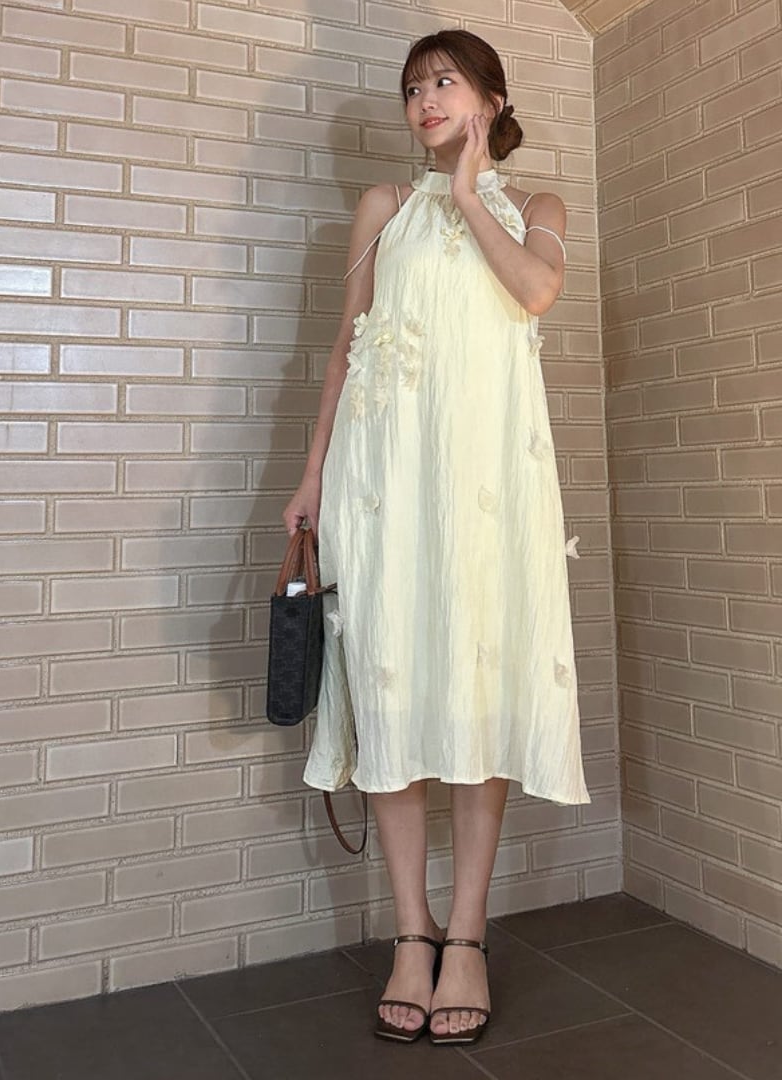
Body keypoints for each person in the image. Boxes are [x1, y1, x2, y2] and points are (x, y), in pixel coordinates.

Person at [282, 27, 590, 1047]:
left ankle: (467, 938)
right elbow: (347, 347)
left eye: (445, 83)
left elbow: (536, 291)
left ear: (491, 100)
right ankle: (410, 933)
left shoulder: (537, 208)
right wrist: (313, 474)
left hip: (488, 494)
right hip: (381, 487)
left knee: (476, 697)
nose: (425, 101)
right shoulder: (382, 208)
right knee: (392, 695)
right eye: (414, 87)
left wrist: (467, 193)